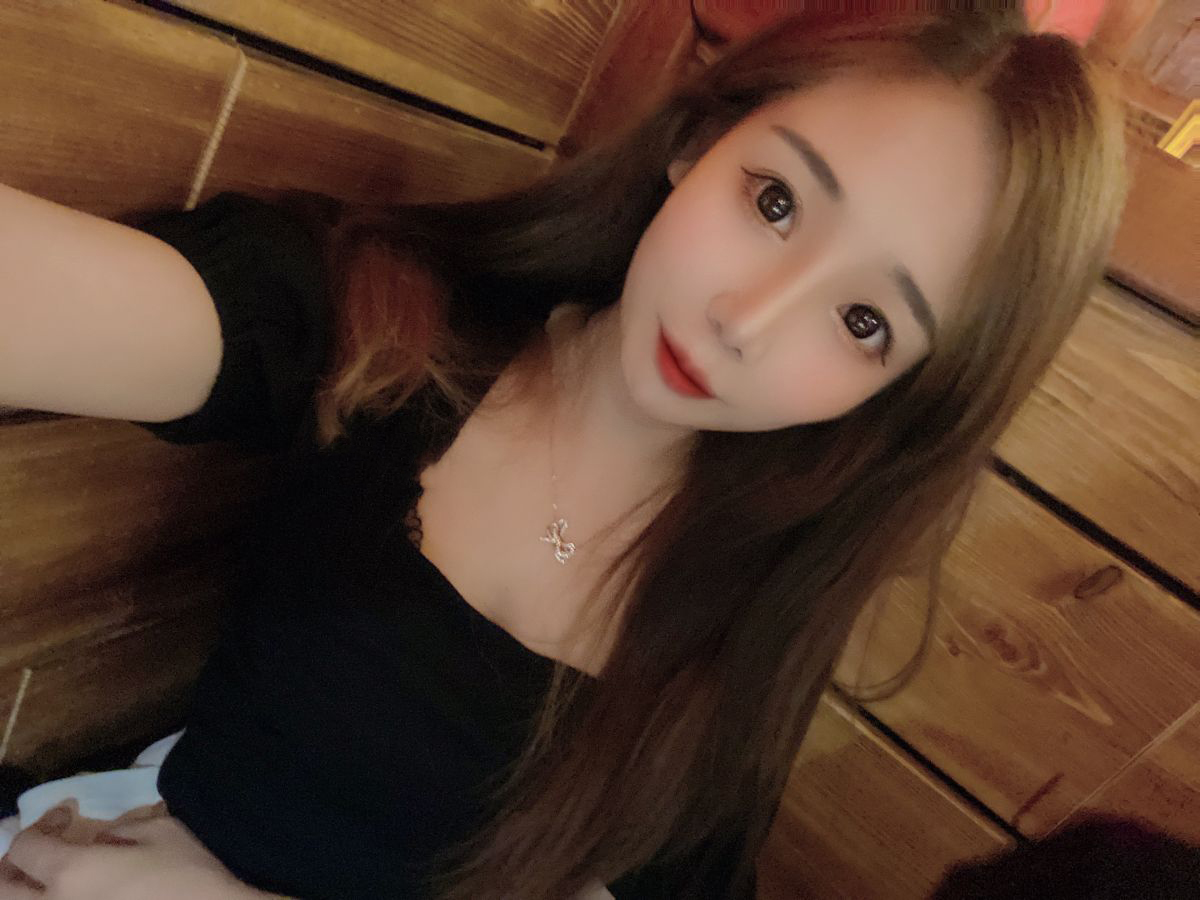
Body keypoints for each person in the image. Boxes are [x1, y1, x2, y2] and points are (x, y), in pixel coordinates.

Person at [0, 7, 1129, 899]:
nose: (747, 320)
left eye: (864, 321)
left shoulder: (759, 611)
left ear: (898, 395)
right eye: (777, 202)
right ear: (697, 141)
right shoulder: (387, 328)